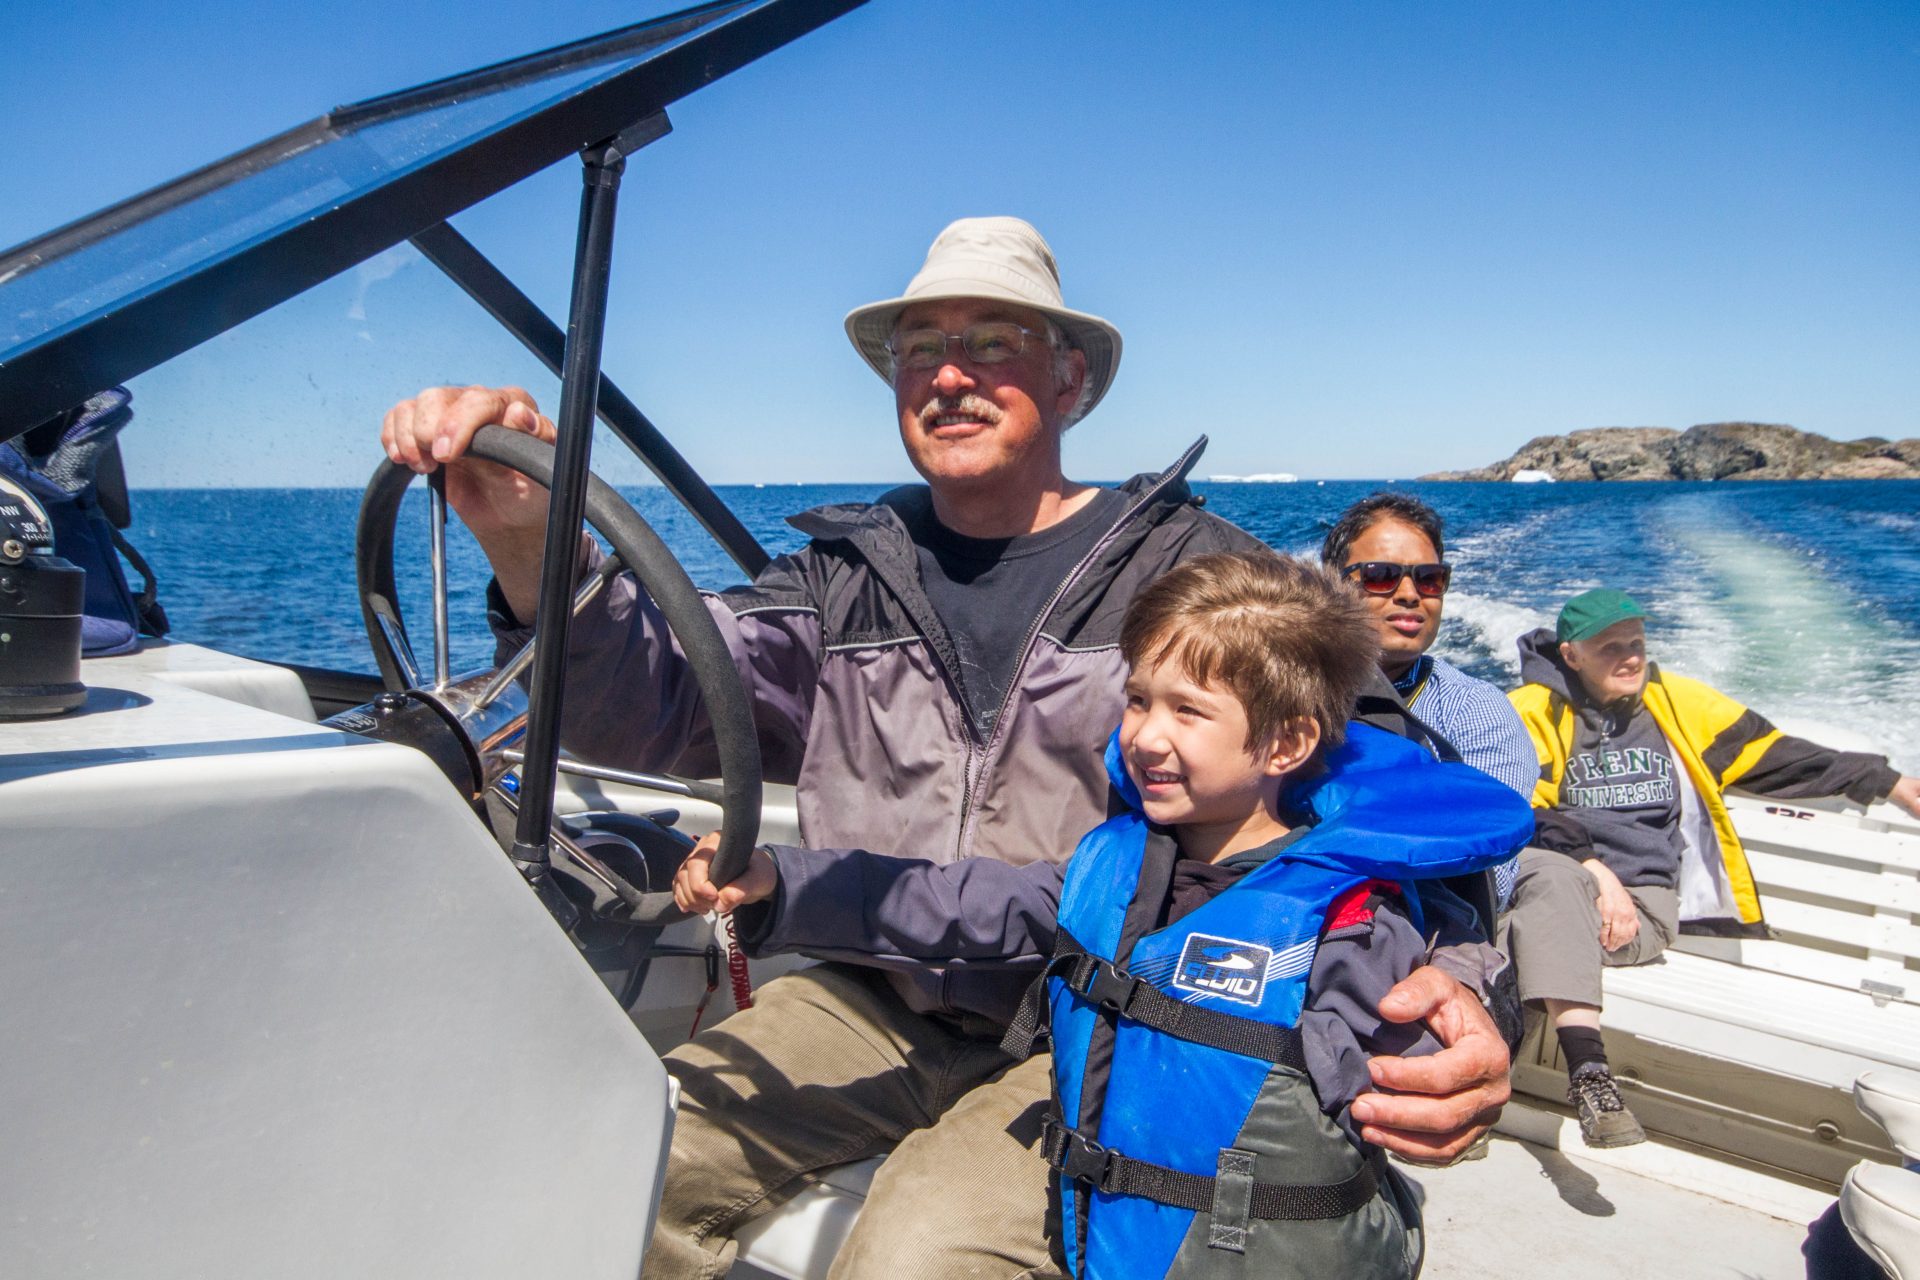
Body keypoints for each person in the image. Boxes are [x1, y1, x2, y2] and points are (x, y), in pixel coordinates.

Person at [379, 217, 1513, 1279]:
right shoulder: (842, 576)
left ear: (1070, 378)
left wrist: (1459, 981)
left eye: (991, 343)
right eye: (920, 349)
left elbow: (1406, 789)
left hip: (1093, 1017)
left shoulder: (1197, 573)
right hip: (869, 986)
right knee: (619, 1152)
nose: (949, 373)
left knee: (920, 1257)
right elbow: (657, 700)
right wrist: (528, 536)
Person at [672, 552, 1535, 1279]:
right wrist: (785, 885)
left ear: (1285, 744)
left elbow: (1412, 1063)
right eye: (1138, 700)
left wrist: (1463, 1033)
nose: (1146, 736)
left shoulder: (1346, 922)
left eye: (1188, 712)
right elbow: (957, 903)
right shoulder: (1112, 866)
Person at [1504, 588, 1920, 1147]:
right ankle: (1589, 1077)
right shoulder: (1531, 710)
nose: (1630, 658)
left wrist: (1889, 783)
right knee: (1547, 888)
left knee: (1514, 929)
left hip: (1641, 909)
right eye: (1610, 648)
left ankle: (1480, 1091)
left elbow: (1771, 754)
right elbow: (1518, 806)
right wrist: (1595, 871)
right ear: (1571, 654)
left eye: (1637, 644)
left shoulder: (1677, 703)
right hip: (1563, 884)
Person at [1321, 493, 1535, 902]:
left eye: (1429, 578)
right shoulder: (1280, 694)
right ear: (1331, 585)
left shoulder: (1476, 712)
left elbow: (1485, 875)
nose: (1409, 594)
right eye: (1380, 575)